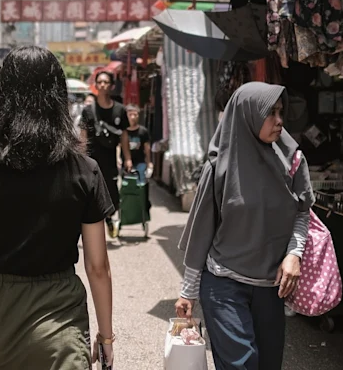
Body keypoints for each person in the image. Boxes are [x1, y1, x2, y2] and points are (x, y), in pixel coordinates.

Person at [0, 46, 115, 369]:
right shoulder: (85, 170)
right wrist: (106, 337)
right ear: (58, 97)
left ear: (2, 96)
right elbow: (97, 267)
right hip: (61, 318)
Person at [176, 83, 314, 370]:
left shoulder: (292, 161)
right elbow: (201, 232)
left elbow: (302, 212)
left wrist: (294, 254)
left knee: (268, 365)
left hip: (270, 286)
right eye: (270, 113)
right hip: (223, 284)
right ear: (247, 115)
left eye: (280, 112)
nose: (279, 120)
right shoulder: (219, 169)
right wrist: (188, 291)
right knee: (241, 365)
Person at [80, 70, 129, 239]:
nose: (102, 85)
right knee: (90, 193)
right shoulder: (88, 110)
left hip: (110, 160)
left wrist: (127, 158)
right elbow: (83, 135)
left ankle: (108, 218)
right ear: (95, 85)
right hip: (92, 159)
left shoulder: (120, 110)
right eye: (99, 82)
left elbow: (124, 135)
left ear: (111, 86)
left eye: (105, 82)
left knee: (112, 194)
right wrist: (81, 157)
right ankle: (95, 226)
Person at [124, 105, 152, 184]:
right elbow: (118, 146)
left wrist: (149, 162)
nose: (133, 117)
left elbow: (147, 148)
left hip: (140, 162)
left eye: (135, 115)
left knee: (140, 184)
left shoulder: (143, 131)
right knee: (126, 185)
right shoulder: (123, 131)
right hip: (125, 163)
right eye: (130, 115)